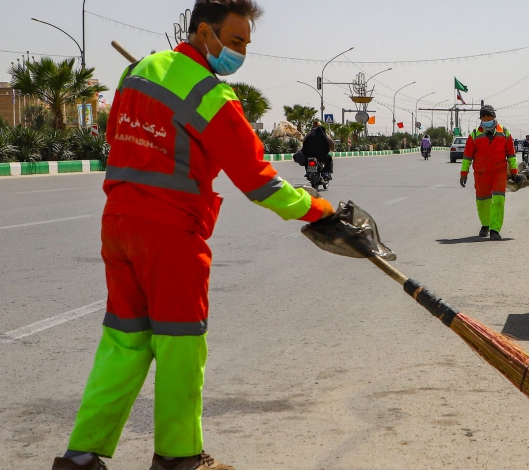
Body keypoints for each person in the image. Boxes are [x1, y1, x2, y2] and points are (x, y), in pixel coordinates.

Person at [51, 2, 334, 470]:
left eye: (246, 44)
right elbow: (259, 181)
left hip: (118, 223)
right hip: (170, 232)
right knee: (181, 343)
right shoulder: (211, 95)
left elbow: (119, 135)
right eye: (236, 41)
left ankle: (80, 456)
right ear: (205, 32)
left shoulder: (138, 72)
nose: (241, 52)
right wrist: (317, 208)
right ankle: (179, 457)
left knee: (124, 341)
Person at [459, 105, 522, 241]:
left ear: (494, 117)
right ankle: (485, 224)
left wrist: (514, 170)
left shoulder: (504, 133)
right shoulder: (474, 134)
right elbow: (467, 156)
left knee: (498, 200)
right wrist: (464, 173)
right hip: (481, 174)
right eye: (484, 117)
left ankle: (494, 229)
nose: (487, 119)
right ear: (481, 118)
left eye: (489, 116)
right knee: (483, 201)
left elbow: (511, 154)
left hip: (499, 172)